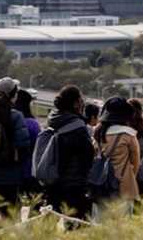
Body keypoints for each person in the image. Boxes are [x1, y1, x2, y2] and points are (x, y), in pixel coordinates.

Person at [0, 77, 31, 219]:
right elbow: (23, 144)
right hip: (11, 176)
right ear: (14, 95)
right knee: (10, 217)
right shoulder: (16, 116)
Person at [45, 86, 95, 220]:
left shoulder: (53, 121)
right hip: (74, 184)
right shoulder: (77, 126)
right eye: (81, 100)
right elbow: (87, 156)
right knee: (76, 225)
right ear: (75, 103)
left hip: (53, 180)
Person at [94, 97, 141, 203]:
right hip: (123, 186)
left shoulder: (98, 133)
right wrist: (129, 176)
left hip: (100, 184)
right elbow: (136, 162)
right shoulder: (129, 135)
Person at [13, 89, 42, 207]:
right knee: (36, 204)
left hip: (12, 170)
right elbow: (39, 147)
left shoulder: (11, 120)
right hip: (30, 170)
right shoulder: (33, 124)